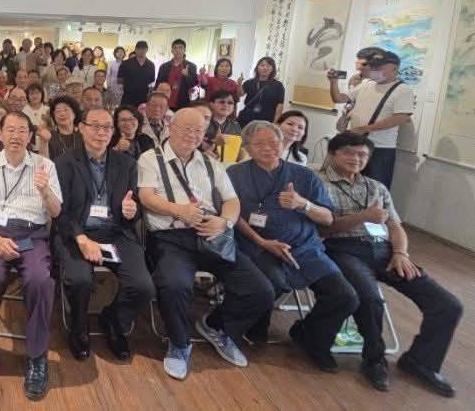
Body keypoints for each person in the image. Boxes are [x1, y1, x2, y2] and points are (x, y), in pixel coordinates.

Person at [318, 132, 462, 396]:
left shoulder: (377, 187)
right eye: (348, 152)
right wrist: (363, 217)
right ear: (332, 154)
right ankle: (374, 360)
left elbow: (395, 225)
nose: (356, 158)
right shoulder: (319, 183)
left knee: (448, 304)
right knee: (370, 299)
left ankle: (421, 362)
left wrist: (401, 253)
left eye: (362, 154)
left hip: (384, 250)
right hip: (342, 249)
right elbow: (322, 230)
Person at [138, 108, 275, 380]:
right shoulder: (150, 158)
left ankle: (216, 326)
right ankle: (179, 343)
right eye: (186, 129)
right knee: (174, 284)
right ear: (171, 127)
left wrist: (224, 222)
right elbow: (146, 197)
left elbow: (232, 201)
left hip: (213, 236)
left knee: (261, 289)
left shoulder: (212, 164)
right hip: (171, 238)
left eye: (199, 131)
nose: (193, 135)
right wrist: (179, 210)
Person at [228, 120, 358, 374]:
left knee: (345, 296)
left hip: (305, 249)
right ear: (247, 147)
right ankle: (253, 327)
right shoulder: (235, 174)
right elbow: (232, 214)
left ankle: (311, 336)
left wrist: (303, 204)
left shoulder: (304, 176)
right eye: (259, 143)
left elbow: (328, 219)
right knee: (271, 284)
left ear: (283, 144)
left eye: (273, 142)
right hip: (257, 245)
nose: (268, 148)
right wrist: (262, 242)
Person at [0, 111, 61, 401]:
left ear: (30, 136)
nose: (16, 136)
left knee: (40, 281)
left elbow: (55, 212)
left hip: (33, 233)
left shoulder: (45, 165)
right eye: (10, 130)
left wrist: (45, 191)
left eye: (22, 130)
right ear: (0, 133)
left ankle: (37, 358)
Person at [55, 107, 155, 361]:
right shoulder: (65, 163)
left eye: (107, 127)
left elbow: (136, 206)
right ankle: (79, 327)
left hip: (116, 232)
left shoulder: (127, 164)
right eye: (95, 126)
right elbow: (59, 211)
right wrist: (81, 239)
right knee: (79, 280)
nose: (101, 132)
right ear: (81, 128)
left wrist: (132, 211)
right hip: (77, 232)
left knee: (143, 287)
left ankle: (114, 321)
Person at [328, 50, 413, 188]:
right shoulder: (366, 83)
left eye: (380, 66)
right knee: (348, 185)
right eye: (373, 66)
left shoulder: (403, 90)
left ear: (394, 68)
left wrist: (365, 129)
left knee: (374, 189)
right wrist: (333, 82)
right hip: (356, 145)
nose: (375, 69)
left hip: (380, 149)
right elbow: (339, 98)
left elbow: (401, 118)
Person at [237, 56, 285, 127]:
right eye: (262, 65)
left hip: (266, 120)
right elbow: (240, 94)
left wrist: (275, 123)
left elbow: (280, 106)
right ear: (257, 68)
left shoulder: (278, 85)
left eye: (268, 66)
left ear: (272, 69)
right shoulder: (250, 82)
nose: (265, 68)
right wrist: (239, 84)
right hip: (247, 118)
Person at [155, 39, 198, 110]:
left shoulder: (191, 66)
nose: (178, 50)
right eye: (175, 48)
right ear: (172, 50)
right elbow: (158, 84)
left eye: (180, 47)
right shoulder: (164, 66)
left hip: (182, 103)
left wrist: (187, 75)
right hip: (164, 101)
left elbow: (193, 84)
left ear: (184, 50)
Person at [42, 95, 82, 160]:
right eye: (58, 111)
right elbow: (44, 162)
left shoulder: (83, 134)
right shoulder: (49, 136)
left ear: (74, 114)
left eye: (66, 110)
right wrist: (44, 143)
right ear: (54, 117)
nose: (62, 113)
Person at [118, 40, 155, 109]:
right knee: (125, 113)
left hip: (143, 98)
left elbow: (151, 81)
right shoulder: (126, 63)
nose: (141, 51)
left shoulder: (151, 65)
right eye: (139, 48)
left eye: (143, 49)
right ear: (135, 50)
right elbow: (119, 79)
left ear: (147, 50)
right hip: (128, 97)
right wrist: (129, 85)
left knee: (141, 115)